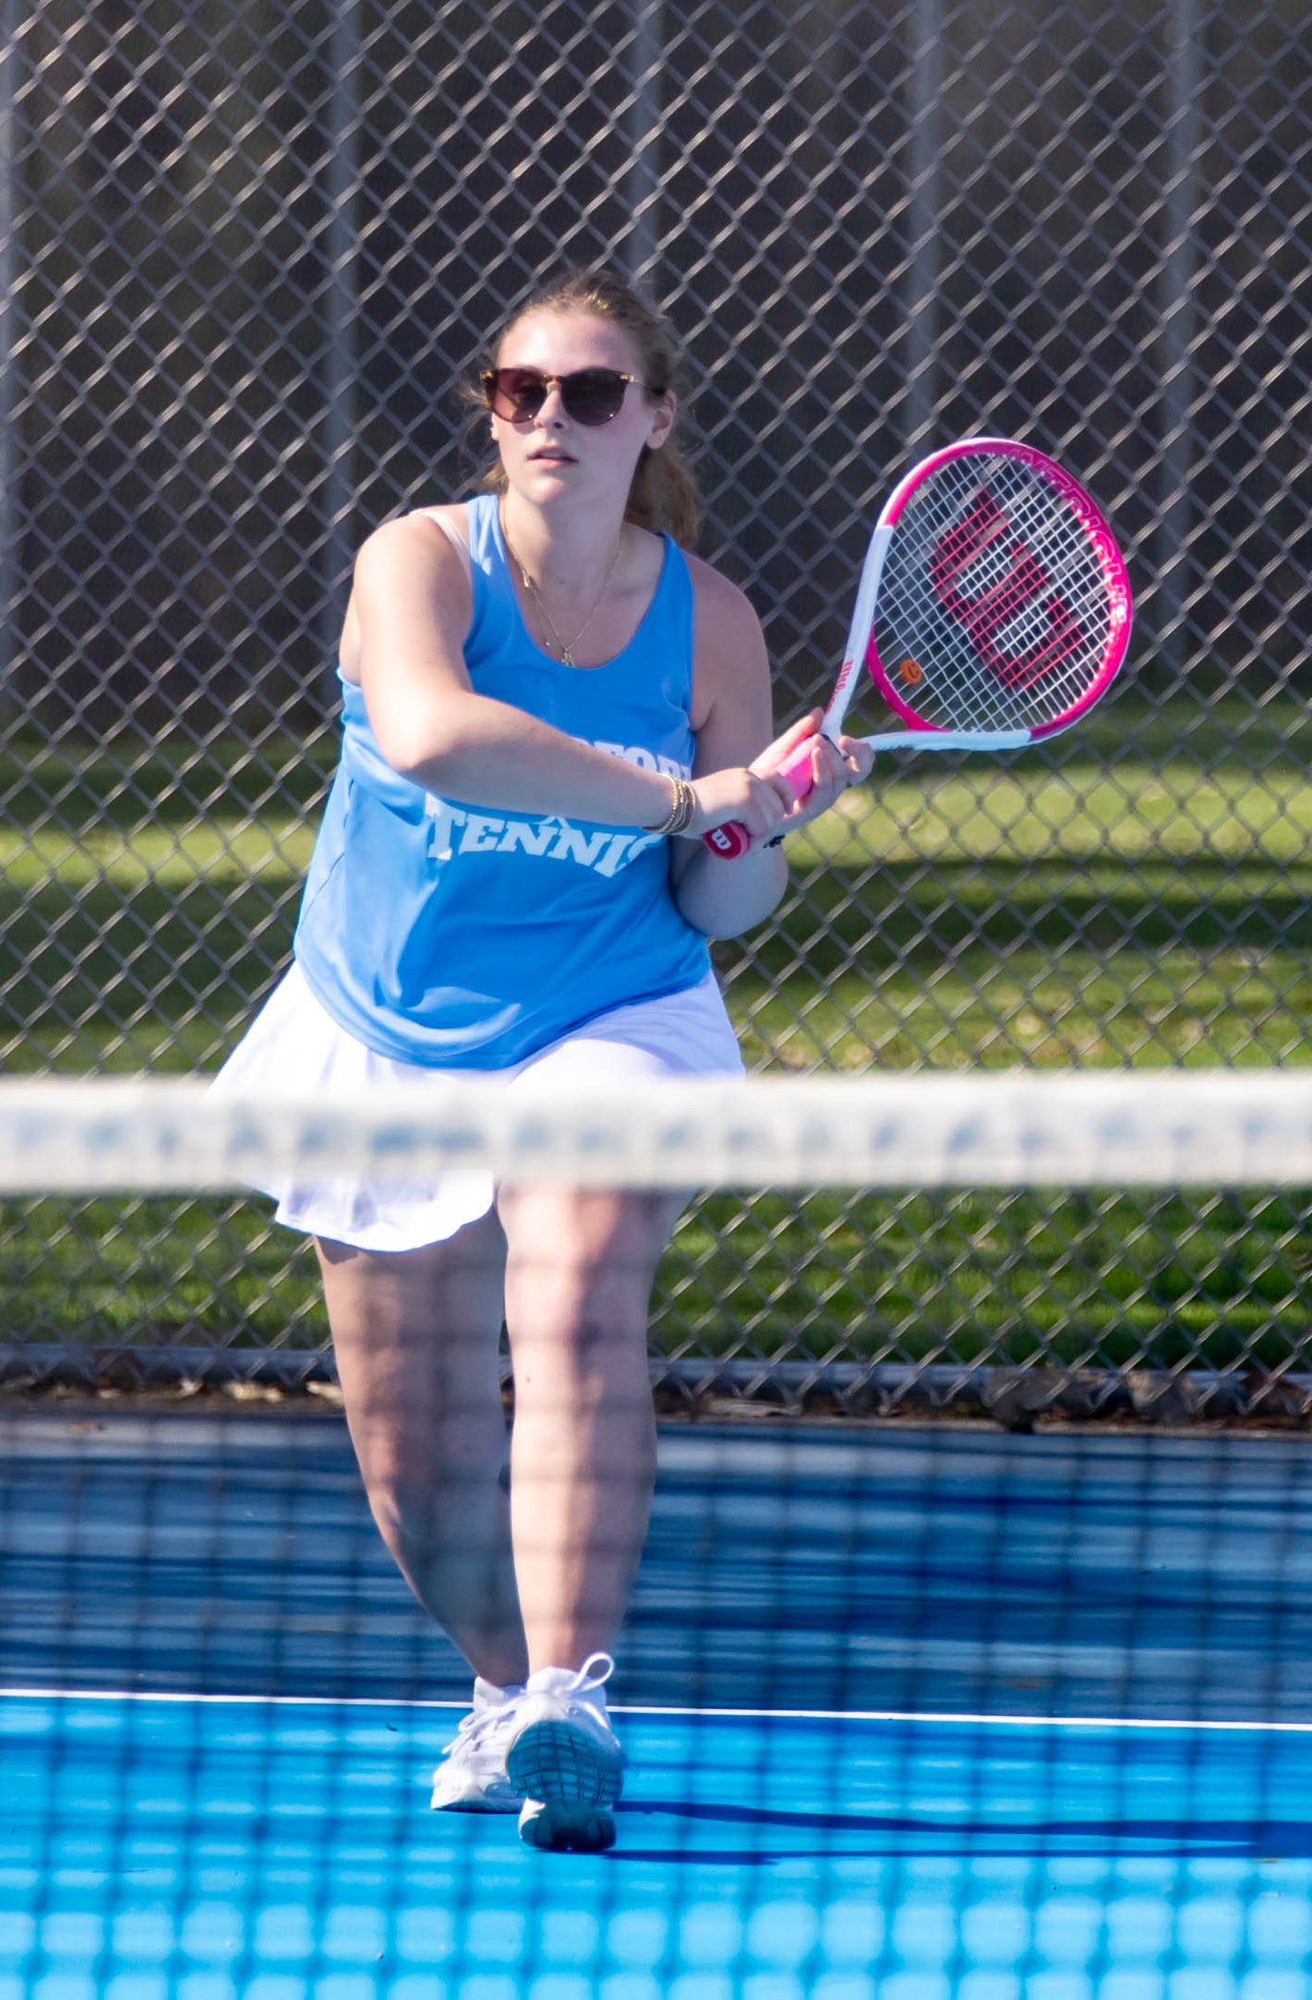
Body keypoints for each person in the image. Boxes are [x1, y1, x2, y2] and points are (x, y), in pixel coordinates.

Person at [215, 267, 871, 1851]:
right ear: (492, 416)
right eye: (521, 392)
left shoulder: (709, 617)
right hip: (385, 1022)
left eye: (589, 393)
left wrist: (755, 825)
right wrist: (678, 791)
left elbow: (720, 901)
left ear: (653, 417)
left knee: (574, 1286)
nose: (551, 419)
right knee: (418, 1475)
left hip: (611, 1010)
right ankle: (508, 1694)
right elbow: (436, 732)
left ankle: (575, 1698)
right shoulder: (416, 564)